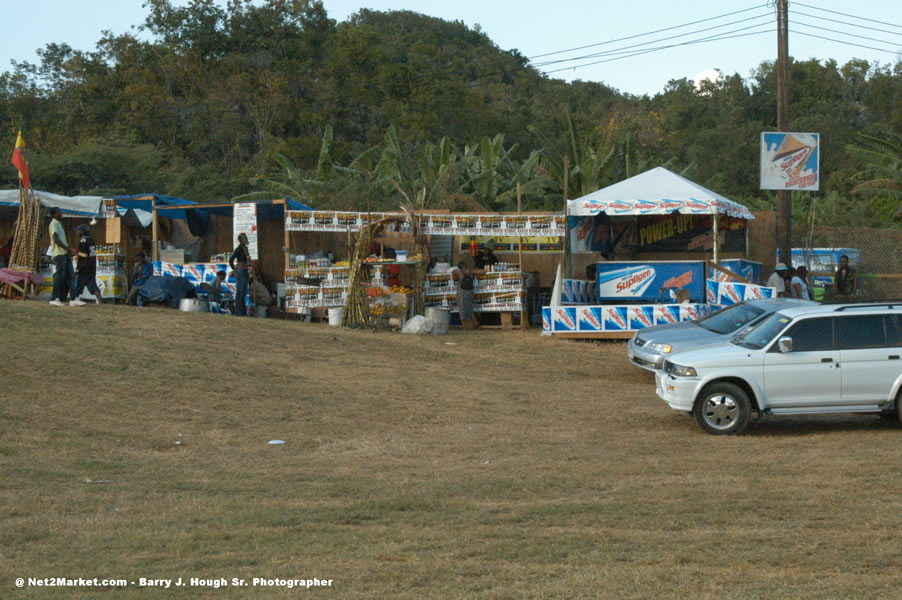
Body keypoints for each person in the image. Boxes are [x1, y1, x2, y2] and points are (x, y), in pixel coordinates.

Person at [48, 207, 84, 307]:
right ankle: (54, 298)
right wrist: (68, 249)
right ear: (54, 214)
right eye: (59, 212)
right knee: (59, 277)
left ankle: (73, 298)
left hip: (65, 253)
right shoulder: (53, 224)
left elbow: (61, 240)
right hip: (59, 254)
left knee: (71, 276)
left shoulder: (59, 224)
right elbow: (56, 239)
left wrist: (68, 250)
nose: (61, 214)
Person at [73, 224, 103, 304]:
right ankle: (101, 302)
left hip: (84, 266)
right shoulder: (91, 239)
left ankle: (75, 300)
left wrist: (76, 253)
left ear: (82, 231)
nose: (77, 232)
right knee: (93, 285)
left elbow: (84, 255)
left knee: (78, 285)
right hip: (92, 266)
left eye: (78, 230)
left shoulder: (83, 240)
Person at [451, 261, 484, 329]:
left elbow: (452, 272)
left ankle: (464, 326)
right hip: (470, 291)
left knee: (462, 308)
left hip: (462, 292)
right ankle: (475, 322)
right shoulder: (471, 271)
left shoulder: (459, 272)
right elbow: (483, 271)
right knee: (469, 307)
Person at [230, 233, 251, 316]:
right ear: (240, 240)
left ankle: (243, 312)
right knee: (240, 292)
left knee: (243, 292)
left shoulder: (245, 248)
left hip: (245, 270)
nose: (244, 240)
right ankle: (238, 312)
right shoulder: (238, 249)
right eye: (243, 239)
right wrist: (234, 269)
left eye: (245, 238)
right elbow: (231, 259)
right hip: (240, 271)